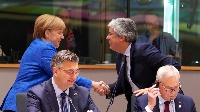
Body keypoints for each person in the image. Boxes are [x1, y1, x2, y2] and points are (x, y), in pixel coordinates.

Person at [0, 14, 105, 112]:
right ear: (47, 33)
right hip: (24, 103)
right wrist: (93, 84)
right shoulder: (45, 47)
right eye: (59, 32)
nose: (62, 36)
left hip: (19, 101)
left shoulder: (37, 44)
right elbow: (63, 73)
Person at [95, 18, 181, 112]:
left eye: (110, 34)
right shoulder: (120, 55)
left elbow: (174, 65)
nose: (107, 37)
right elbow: (123, 84)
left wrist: (152, 88)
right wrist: (108, 89)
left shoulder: (143, 50)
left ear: (122, 37)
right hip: (136, 105)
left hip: (158, 104)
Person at [27, 50, 100, 112]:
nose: (74, 77)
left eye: (76, 71)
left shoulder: (83, 93)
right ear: (55, 71)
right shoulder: (37, 94)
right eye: (70, 72)